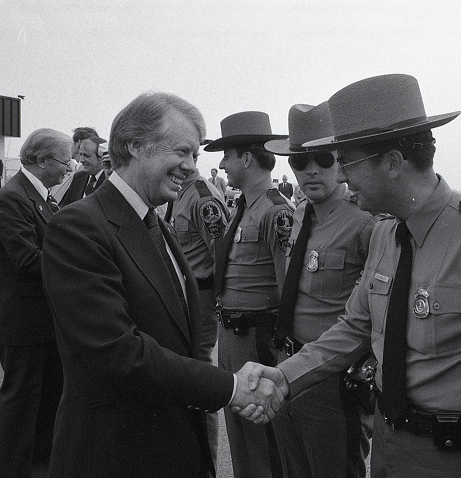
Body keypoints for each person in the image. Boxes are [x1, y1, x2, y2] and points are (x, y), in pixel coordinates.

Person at [244, 74, 461, 478]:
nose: (341, 176)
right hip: (388, 445)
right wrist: (284, 375)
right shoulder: (384, 234)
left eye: (346, 162)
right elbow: (354, 328)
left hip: (458, 458)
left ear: (393, 163)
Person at [41, 92, 284, 478]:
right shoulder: (79, 227)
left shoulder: (156, 223)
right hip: (118, 454)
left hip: (168, 446)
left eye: (195, 156)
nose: (190, 168)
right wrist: (231, 388)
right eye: (182, 152)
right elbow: (119, 353)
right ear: (135, 146)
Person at [264, 102, 379, 478]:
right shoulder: (300, 214)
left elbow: (383, 304)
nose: (311, 170)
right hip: (287, 363)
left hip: (333, 381)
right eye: (300, 161)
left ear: (340, 161)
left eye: (323, 159)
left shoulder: (367, 221)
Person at [204, 110, 292, 478]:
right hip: (232, 334)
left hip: (258, 337)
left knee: (262, 440)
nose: (222, 164)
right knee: (240, 438)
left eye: (227, 155)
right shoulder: (242, 207)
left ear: (246, 158)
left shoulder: (275, 212)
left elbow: (288, 286)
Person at [0, 128, 71, 477]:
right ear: (43, 160)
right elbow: (28, 260)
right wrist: (78, 265)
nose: (68, 169)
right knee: (20, 403)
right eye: (65, 161)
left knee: (46, 398)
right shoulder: (13, 198)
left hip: (39, 321)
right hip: (21, 322)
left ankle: (39, 463)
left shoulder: (39, 195)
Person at [166, 163, 231, 468]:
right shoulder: (182, 192)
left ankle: (207, 465)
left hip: (201, 296)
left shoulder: (203, 198)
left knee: (200, 376)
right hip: (187, 295)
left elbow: (220, 255)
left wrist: (217, 301)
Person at [59, 130, 108, 207]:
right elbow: (66, 206)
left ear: (101, 157)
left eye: (86, 156)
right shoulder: (79, 177)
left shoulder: (109, 180)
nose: (81, 160)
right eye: (81, 155)